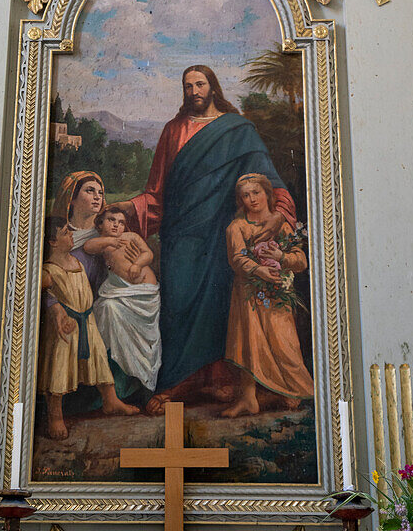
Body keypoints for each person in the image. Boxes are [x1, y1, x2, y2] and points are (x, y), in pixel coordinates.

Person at [117, 65, 298, 407]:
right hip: (182, 235)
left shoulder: (238, 130)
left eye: (200, 84)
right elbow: (157, 192)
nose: (193, 91)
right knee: (179, 303)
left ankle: (222, 381)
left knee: (220, 307)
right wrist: (130, 207)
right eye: (187, 86)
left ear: (212, 87)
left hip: (222, 234)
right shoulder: (173, 131)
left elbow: (266, 179)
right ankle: (178, 381)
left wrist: (279, 212)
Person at [38, 217, 139, 440]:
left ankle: (111, 401)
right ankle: (55, 416)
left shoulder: (77, 261)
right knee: (59, 369)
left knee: (99, 362)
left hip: (88, 321)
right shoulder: (47, 271)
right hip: (66, 327)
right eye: (65, 233)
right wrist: (55, 309)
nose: (71, 235)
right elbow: (40, 293)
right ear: (53, 242)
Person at [221, 174, 313, 418]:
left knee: (284, 344)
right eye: (246, 195)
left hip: (277, 296)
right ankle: (249, 398)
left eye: (256, 193)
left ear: (267, 194)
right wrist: (259, 269)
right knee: (249, 342)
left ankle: (287, 390)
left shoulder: (282, 227)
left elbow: (301, 260)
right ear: (240, 200)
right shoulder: (236, 227)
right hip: (248, 294)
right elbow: (238, 258)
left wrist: (282, 259)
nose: (252, 199)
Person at [84, 205, 162, 395]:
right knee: (105, 308)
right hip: (121, 293)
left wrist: (137, 264)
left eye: (121, 223)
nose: (117, 226)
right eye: (112, 220)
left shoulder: (131, 237)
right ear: (100, 223)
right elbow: (88, 247)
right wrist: (108, 241)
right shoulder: (102, 242)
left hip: (145, 294)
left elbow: (148, 254)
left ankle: (143, 382)